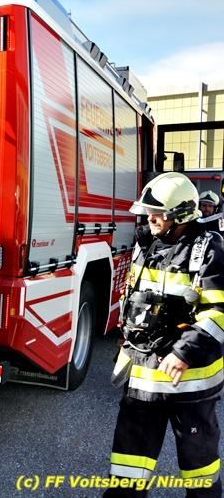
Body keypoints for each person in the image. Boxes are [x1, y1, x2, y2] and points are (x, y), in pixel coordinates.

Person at [107, 172, 224, 497]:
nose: (150, 217)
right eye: (149, 210)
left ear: (181, 214)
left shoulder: (209, 249)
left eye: (158, 212)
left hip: (191, 385)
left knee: (200, 471)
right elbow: (133, 296)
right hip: (144, 381)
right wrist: (125, 333)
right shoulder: (147, 244)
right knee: (127, 470)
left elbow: (218, 312)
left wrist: (183, 352)